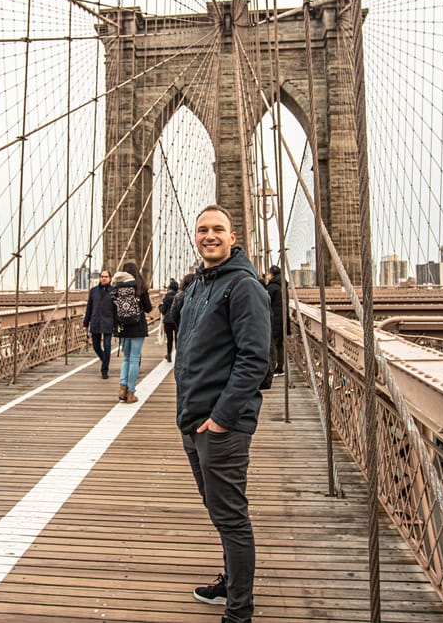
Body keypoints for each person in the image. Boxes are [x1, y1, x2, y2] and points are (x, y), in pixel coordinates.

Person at [174, 204, 270, 623]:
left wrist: (222, 419)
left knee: (231, 517)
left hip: (221, 425)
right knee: (219, 511)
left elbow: (255, 359)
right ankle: (232, 584)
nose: (209, 236)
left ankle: (239, 613)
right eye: (202, 230)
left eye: (218, 230)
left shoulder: (243, 287)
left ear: (233, 237)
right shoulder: (199, 284)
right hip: (194, 420)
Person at [111, 262, 151, 404]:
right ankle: (131, 393)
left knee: (126, 358)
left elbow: (112, 308)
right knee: (134, 359)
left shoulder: (116, 287)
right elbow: (148, 308)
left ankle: (122, 388)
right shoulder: (140, 286)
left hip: (123, 327)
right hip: (137, 326)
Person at [83, 269, 114, 379]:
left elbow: (116, 309)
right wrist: (85, 323)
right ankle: (104, 359)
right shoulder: (93, 291)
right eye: (102, 276)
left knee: (107, 345)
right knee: (96, 346)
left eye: (106, 276)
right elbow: (89, 307)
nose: (103, 278)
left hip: (108, 322)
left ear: (110, 278)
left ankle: (104, 370)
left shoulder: (114, 291)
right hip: (96, 321)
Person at [264, 266, 284, 374]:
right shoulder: (283, 285)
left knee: (272, 344)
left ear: (272, 274)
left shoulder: (272, 287)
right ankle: (280, 367)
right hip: (282, 319)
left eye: (268, 273)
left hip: (274, 319)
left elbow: (264, 300)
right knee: (280, 344)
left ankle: (272, 368)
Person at [159, 278, 179, 361]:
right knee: (178, 338)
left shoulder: (166, 297)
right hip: (177, 320)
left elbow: (163, 311)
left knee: (169, 339)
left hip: (167, 320)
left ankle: (169, 355)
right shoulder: (179, 296)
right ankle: (178, 357)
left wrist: (160, 306)